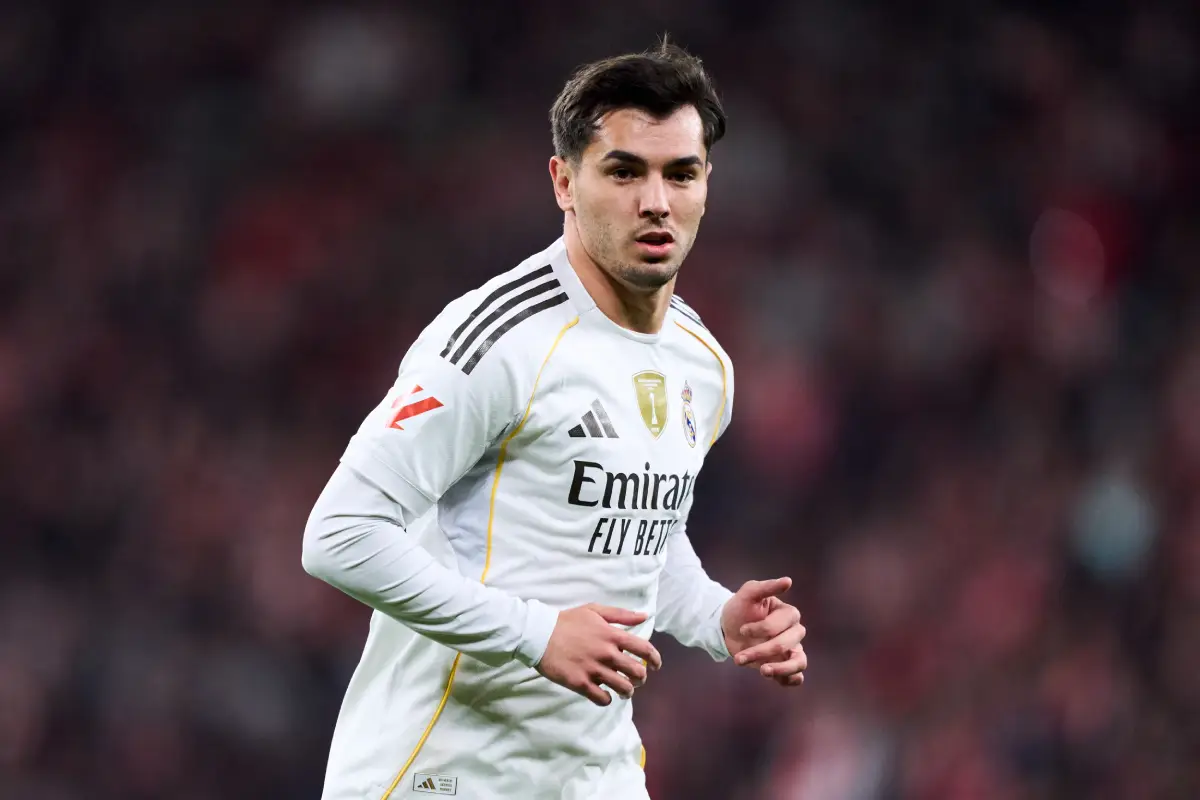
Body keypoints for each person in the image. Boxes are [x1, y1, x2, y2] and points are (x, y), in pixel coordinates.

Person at [302, 39, 808, 800]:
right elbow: (340, 534)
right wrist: (535, 634)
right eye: (624, 171)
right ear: (564, 182)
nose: (656, 201)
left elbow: (637, 542)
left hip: (589, 774)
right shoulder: (499, 339)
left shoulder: (704, 364)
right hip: (444, 770)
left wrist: (715, 618)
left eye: (681, 173)